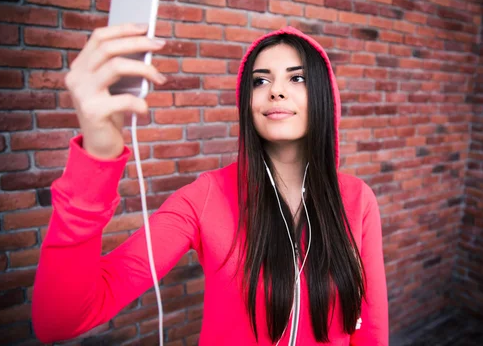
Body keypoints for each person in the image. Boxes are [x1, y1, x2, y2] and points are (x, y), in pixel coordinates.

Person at [32, 24, 389, 345]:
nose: (276, 91)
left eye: (297, 78)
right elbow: (61, 320)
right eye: (260, 81)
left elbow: (371, 332)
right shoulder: (204, 197)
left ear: (324, 96)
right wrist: (97, 159)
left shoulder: (357, 199)